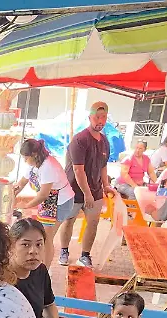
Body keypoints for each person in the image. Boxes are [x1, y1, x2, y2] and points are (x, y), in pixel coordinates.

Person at [58, 102, 112, 268]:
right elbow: (78, 170)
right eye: (97, 117)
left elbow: (103, 165)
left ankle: (85, 255)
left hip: (95, 190)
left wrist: (106, 185)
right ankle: (64, 250)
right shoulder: (80, 140)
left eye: (103, 117)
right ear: (90, 118)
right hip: (74, 189)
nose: (100, 121)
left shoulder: (105, 141)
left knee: (93, 222)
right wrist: (87, 194)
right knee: (69, 220)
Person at [12, 138, 75, 264]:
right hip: (49, 201)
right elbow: (22, 183)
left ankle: (45, 271)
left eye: (26, 157)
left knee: (46, 238)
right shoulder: (33, 164)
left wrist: (26, 206)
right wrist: (11, 195)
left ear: (34, 155)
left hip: (59, 202)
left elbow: (43, 195)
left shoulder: (48, 166)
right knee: (44, 236)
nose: (24, 160)